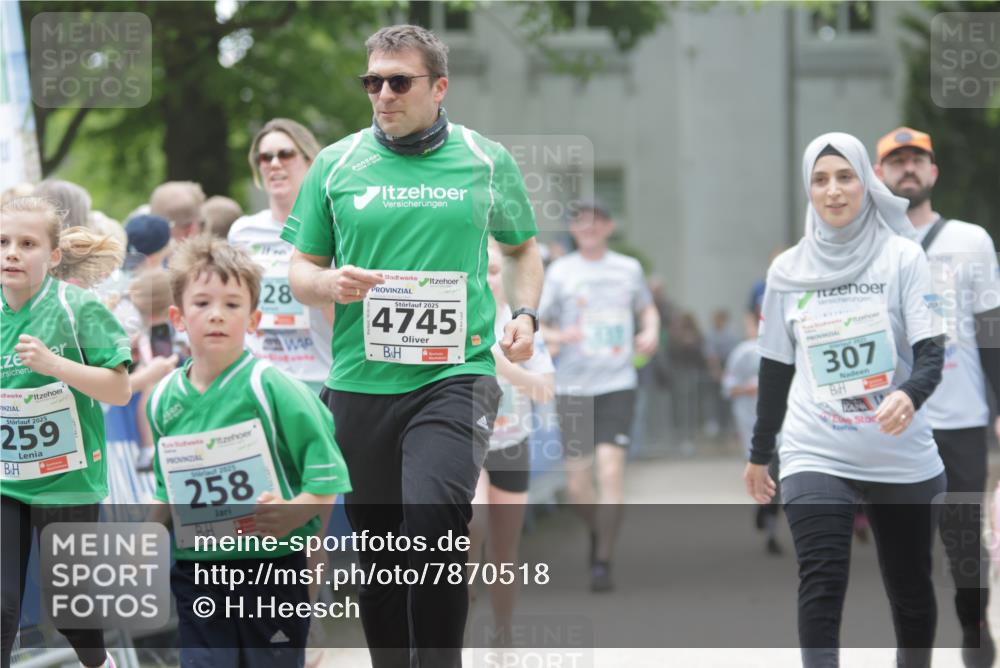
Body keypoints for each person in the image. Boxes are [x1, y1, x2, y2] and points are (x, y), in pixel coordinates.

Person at [282, 24, 542, 668]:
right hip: (359, 383)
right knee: (380, 553)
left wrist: (527, 315)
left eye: (399, 81)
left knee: (432, 529)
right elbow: (299, 270)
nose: (384, 94)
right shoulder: (336, 164)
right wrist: (327, 282)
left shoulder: (484, 159)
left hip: (456, 374)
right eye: (373, 81)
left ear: (439, 86)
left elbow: (522, 248)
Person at [744, 132, 947, 668]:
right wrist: (759, 450)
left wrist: (909, 394)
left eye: (844, 177)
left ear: (866, 182)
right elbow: (775, 367)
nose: (833, 191)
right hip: (817, 446)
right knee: (822, 576)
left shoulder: (902, 257)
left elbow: (931, 352)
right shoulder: (787, 271)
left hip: (897, 451)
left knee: (909, 589)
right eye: (820, 179)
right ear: (808, 190)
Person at [147, 235, 351, 666]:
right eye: (202, 303)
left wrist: (298, 509)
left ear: (254, 318)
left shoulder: (273, 387)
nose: (217, 315)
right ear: (178, 317)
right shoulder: (162, 399)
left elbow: (327, 474)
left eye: (232, 304)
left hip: (272, 569)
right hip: (198, 571)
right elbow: (168, 492)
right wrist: (142, 539)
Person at [875, 126, 1000, 666]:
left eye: (916, 160)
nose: (907, 168)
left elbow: (992, 327)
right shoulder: (865, 246)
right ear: (879, 176)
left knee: (965, 550)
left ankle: (974, 632)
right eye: (896, 161)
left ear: (933, 172)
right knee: (906, 556)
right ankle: (914, 653)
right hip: (895, 425)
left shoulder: (970, 239)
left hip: (961, 418)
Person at [1, 196, 133, 668]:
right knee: (2, 605)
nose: (12, 252)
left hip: (68, 477)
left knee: (70, 608)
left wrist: (56, 365)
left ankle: (101, 664)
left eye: (27, 243)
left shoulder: (77, 308)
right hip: (7, 480)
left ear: (53, 256)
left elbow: (119, 391)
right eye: (3, 242)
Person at [538, 199, 660, 592]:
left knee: (609, 471)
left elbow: (648, 309)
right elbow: (537, 325)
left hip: (616, 382)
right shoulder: (559, 273)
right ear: (573, 229)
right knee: (577, 487)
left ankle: (602, 560)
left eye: (596, 221)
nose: (588, 228)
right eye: (580, 222)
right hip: (573, 387)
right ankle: (598, 530)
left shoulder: (628, 268)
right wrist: (561, 336)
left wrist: (651, 332)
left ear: (609, 227)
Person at [469, 241, 554, 642]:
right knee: (472, 523)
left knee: (504, 553)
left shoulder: (520, 326)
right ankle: (460, 600)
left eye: (494, 271)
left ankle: (503, 632)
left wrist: (506, 368)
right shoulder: (458, 319)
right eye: (480, 270)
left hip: (510, 443)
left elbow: (545, 390)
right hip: (465, 446)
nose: (488, 279)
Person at [229, 118, 332, 394]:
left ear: (310, 162)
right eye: (265, 157)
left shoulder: (334, 229)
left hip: (319, 377)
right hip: (259, 378)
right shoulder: (243, 231)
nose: (274, 164)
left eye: (285, 154)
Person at [723, 310, 782, 554]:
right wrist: (748, 389)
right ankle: (764, 511)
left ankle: (770, 525)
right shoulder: (742, 353)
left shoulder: (782, 349)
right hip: (751, 424)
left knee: (776, 475)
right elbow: (728, 387)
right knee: (763, 473)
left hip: (782, 427)